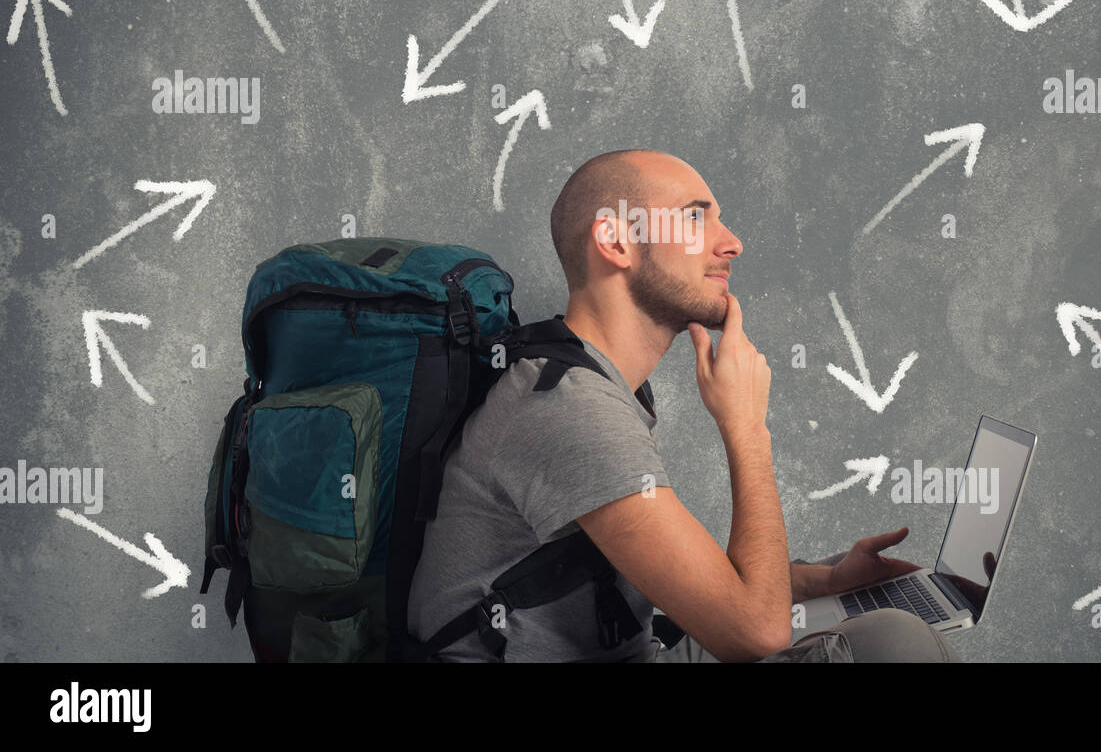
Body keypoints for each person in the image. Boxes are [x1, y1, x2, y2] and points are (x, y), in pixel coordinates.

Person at [406, 149, 959, 662]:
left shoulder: (601, 383)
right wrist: (746, 427)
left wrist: (816, 582)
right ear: (616, 243)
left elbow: (668, 575)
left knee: (878, 627)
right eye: (697, 218)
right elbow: (754, 635)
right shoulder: (567, 408)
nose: (732, 243)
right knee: (897, 644)